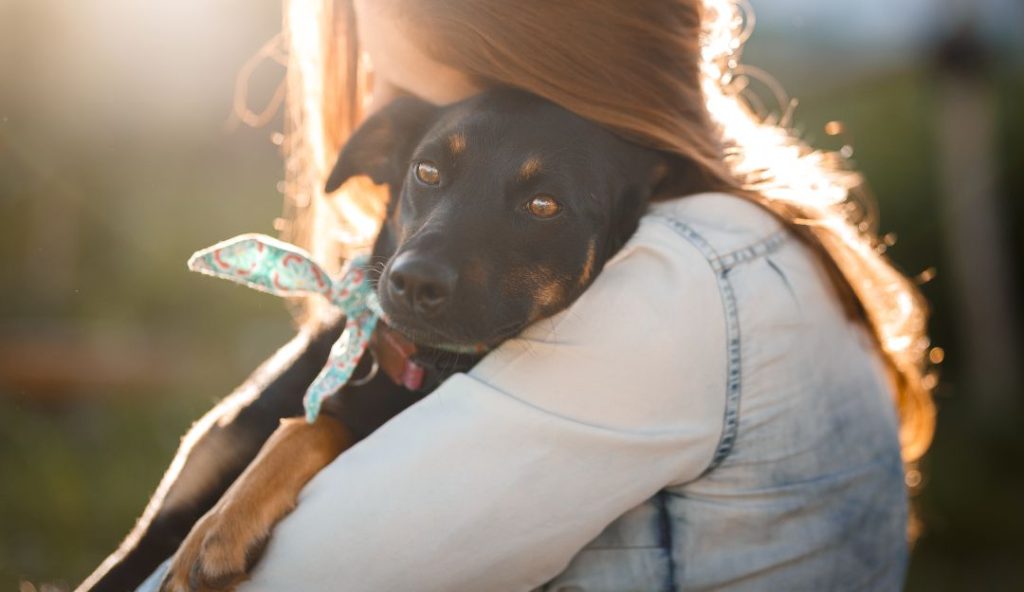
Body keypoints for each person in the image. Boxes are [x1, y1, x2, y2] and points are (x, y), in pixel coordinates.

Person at [134, 0, 937, 590]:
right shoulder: (737, 236)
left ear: (501, 33)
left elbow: (284, 580)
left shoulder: (664, 290)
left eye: (388, 64)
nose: (363, 73)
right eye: (432, 169)